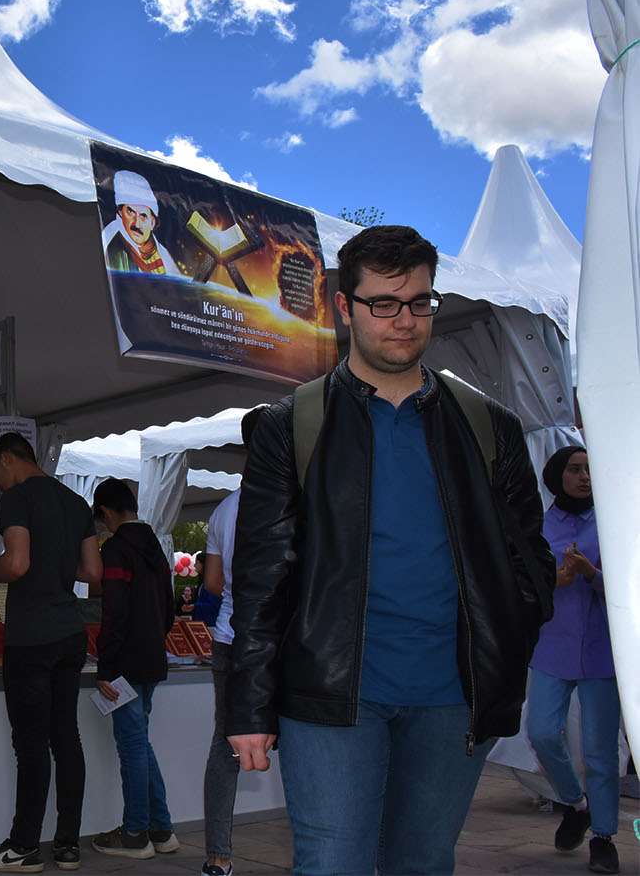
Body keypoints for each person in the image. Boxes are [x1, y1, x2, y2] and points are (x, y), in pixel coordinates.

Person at [225, 225, 555, 875]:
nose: (404, 321)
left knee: (423, 863)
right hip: (329, 695)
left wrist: (507, 638)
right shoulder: (291, 426)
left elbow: (529, 560)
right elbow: (261, 577)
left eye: (419, 302)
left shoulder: (489, 426)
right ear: (344, 308)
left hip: (454, 699)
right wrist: (249, 705)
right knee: (333, 863)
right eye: (383, 303)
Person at [0, 433, 102, 874]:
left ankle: (24, 845)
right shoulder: (76, 503)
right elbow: (92, 571)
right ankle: (67, 844)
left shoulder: (18, 498)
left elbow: (17, 563)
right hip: (70, 633)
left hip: (30, 636)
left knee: (31, 745)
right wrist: (56, 568)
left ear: (8, 459)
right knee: (66, 738)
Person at [526, 446, 620, 874]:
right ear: (556, 476)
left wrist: (591, 575)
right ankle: (575, 803)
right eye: (575, 469)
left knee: (600, 750)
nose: (584, 477)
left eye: (589, 469)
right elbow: (526, 582)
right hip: (552, 646)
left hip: (602, 651)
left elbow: (627, 585)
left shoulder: (612, 523)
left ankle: (603, 837)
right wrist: (555, 580)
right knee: (542, 732)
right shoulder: (539, 525)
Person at [87, 478, 179, 862]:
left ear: (106, 512)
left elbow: (114, 612)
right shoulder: (155, 546)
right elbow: (170, 609)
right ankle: (161, 829)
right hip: (152, 658)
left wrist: (105, 666)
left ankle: (135, 833)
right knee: (140, 742)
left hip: (124, 663)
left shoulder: (116, 550)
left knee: (132, 747)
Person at [198, 405, 265, 876]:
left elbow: (213, 583)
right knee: (305, 744)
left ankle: (218, 856)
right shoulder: (296, 503)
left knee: (225, 746)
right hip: (282, 642)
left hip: (230, 636)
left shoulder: (225, 509)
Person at [102, 170, 182, 277]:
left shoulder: (162, 253)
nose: (137, 224)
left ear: (152, 222)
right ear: (120, 213)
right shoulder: (111, 241)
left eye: (143, 216)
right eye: (130, 212)